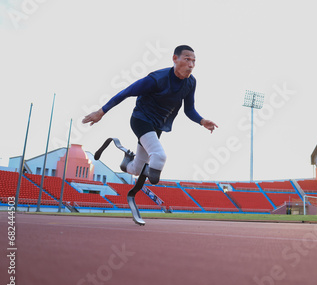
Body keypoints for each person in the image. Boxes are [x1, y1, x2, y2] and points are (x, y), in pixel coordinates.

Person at [82, 45, 217, 184]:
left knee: (136, 169)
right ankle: (150, 181)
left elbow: (189, 110)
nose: (191, 65)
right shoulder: (157, 79)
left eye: (194, 61)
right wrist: (100, 112)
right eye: (187, 59)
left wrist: (202, 121)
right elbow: (126, 92)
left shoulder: (191, 82)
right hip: (141, 120)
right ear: (175, 59)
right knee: (159, 157)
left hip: (158, 126)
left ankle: (126, 162)